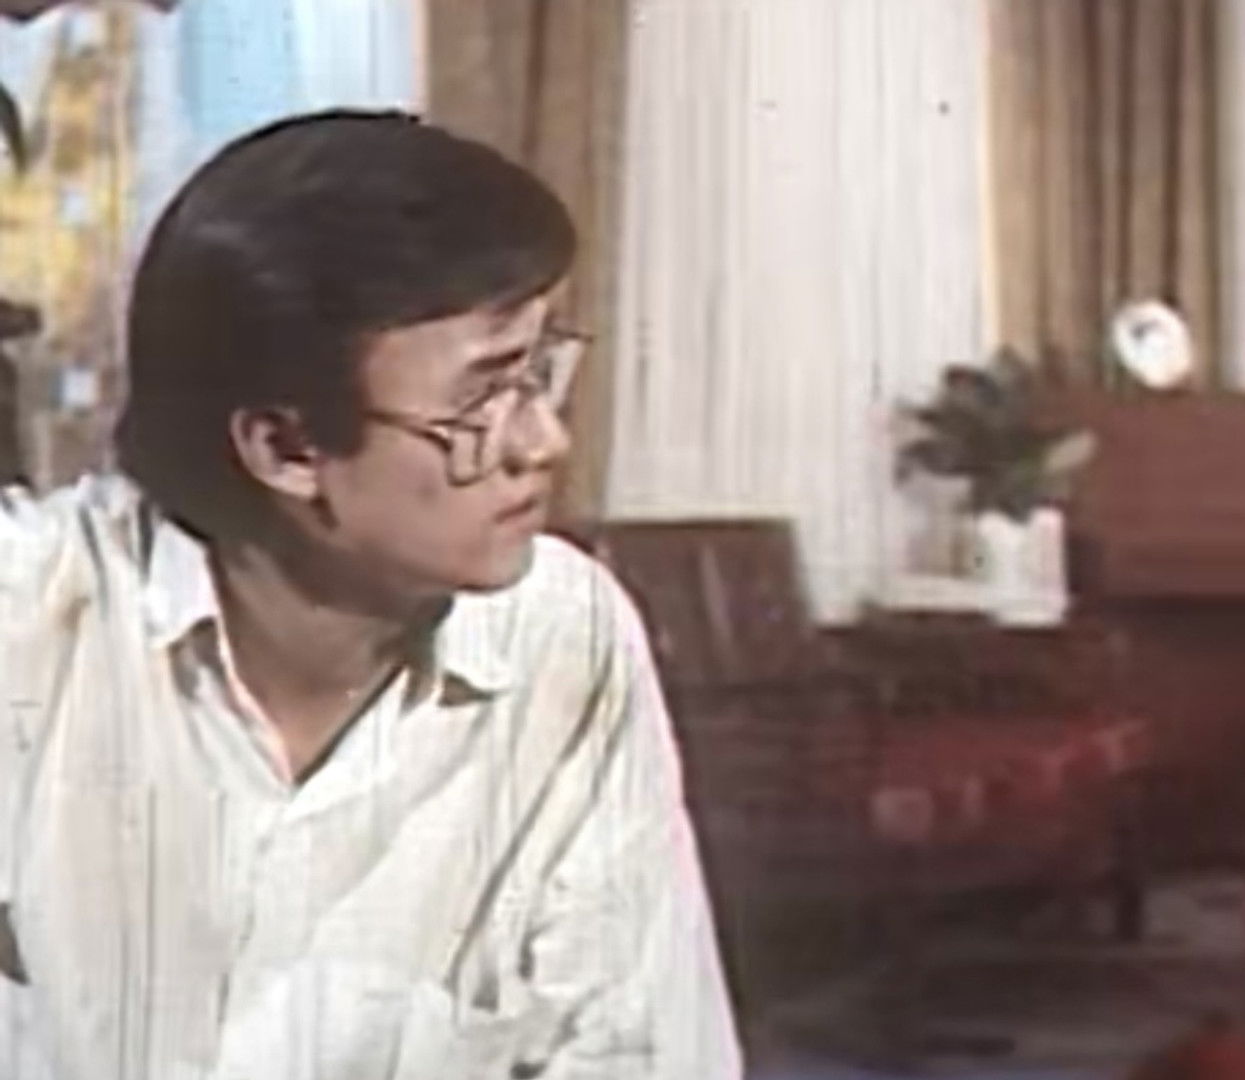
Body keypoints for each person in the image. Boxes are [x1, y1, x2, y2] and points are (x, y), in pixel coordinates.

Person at [0, 111, 740, 1078]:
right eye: (482, 400)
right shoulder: (31, 621)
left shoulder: (564, 635)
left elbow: (639, 1048)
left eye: (539, 376)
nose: (544, 443)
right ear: (286, 447)